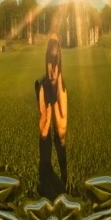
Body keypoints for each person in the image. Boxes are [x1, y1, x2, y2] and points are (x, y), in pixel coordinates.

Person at [35, 35, 68, 197]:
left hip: (57, 89)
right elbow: (43, 131)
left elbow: (61, 129)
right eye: (49, 63)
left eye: (54, 64)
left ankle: (64, 175)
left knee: (61, 134)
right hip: (45, 88)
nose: (51, 70)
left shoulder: (61, 82)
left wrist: (55, 99)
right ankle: (45, 170)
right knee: (44, 130)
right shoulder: (42, 85)